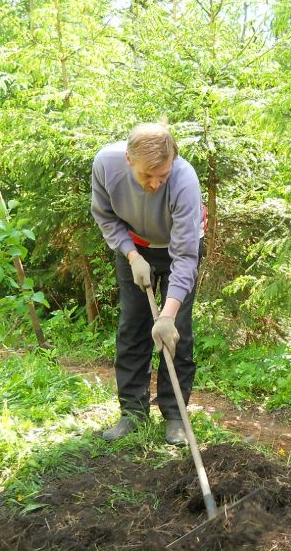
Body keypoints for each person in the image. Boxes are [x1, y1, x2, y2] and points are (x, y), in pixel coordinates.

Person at [91, 122, 202, 445]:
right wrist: (131, 255)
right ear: (128, 160)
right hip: (134, 246)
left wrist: (167, 315)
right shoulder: (106, 164)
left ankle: (175, 416)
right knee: (133, 326)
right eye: (146, 176)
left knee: (176, 330)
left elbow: (185, 257)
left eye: (162, 175)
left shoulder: (184, 180)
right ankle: (133, 413)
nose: (155, 184)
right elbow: (105, 215)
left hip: (177, 248)